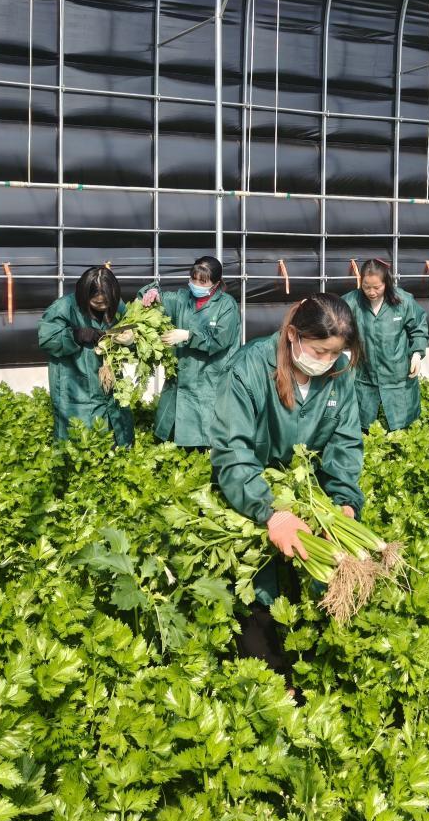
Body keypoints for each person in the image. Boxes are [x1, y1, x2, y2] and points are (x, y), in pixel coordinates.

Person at [210, 293, 364, 688]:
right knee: (260, 595)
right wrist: (269, 511)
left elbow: (345, 443)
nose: (327, 361)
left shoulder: (339, 373)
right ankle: (268, 688)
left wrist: (344, 504)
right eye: (319, 351)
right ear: (293, 335)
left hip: (307, 495)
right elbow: (233, 451)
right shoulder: (250, 367)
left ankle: (310, 685)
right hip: (251, 495)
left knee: (309, 596)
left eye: (336, 353)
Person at [137, 256, 240, 450]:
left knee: (204, 442)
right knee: (168, 441)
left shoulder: (227, 305)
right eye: (194, 279)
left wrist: (187, 336)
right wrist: (152, 292)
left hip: (208, 381)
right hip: (180, 380)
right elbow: (157, 299)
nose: (196, 285)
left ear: (216, 283)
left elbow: (220, 340)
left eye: (203, 281)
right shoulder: (182, 299)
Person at [37, 265, 135, 446]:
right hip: (75, 385)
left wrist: (130, 340)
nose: (102, 306)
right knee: (81, 440)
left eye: (106, 303)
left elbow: (135, 329)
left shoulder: (118, 306)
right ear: (84, 295)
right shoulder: (64, 308)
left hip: (109, 383)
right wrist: (77, 335)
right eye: (96, 304)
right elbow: (47, 339)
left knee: (116, 436)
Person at [341, 258, 429, 432]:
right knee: (364, 424)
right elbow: (331, 313)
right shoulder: (352, 301)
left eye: (377, 287)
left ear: (386, 283)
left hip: (398, 372)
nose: (371, 292)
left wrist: (417, 354)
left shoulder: (403, 300)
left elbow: (419, 328)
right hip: (365, 371)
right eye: (366, 287)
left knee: (402, 425)